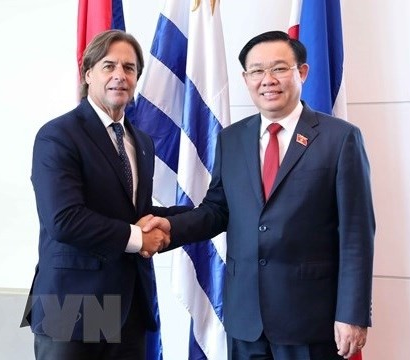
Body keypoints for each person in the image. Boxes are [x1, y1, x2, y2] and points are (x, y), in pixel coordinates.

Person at [142, 30, 375, 359]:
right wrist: (172, 228)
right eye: (257, 71)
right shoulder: (232, 139)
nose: (268, 80)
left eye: (280, 68)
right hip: (246, 318)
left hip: (310, 318)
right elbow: (217, 210)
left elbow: (357, 234)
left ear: (302, 72)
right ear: (245, 78)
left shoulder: (340, 139)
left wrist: (351, 313)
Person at [20, 30, 189, 360]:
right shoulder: (58, 135)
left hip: (129, 304)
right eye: (108, 65)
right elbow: (64, 219)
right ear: (88, 74)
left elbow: (132, 212)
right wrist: (140, 238)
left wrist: (204, 216)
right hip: (72, 302)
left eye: (129, 68)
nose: (119, 76)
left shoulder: (141, 142)